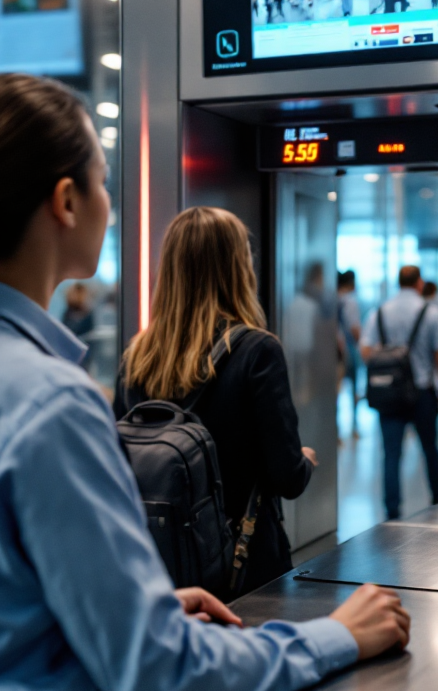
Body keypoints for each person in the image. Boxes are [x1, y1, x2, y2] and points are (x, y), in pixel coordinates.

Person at [0, 74, 409, 691]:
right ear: (65, 202)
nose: (107, 202)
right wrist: (339, 636)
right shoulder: (47, 396)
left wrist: (136, 609)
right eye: (100, 179)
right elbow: (160, 676)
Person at [117, 207, 316, 596]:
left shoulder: (136, 357)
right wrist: (304, 461)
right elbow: (286, 477)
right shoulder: (257, 350)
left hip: (157, 565)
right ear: (237, 267)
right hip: (242, 568)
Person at [362, 266, 438, 521]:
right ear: (419, 283)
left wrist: (388, 365)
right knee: (430, 447)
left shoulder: (379, 312)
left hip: (390, 394)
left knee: (391, 453)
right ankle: (437, 497)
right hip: (423, 391)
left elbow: (366, 350)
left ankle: (392, 511)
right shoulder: (431, 313)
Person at [337, 271, 362, 438]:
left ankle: (336, 430)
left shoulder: (333, 298)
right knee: (354, 387)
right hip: (348, 348)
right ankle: (353, 426)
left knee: (337, 390)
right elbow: (354, 328)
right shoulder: (350, 301)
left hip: (333, 350)